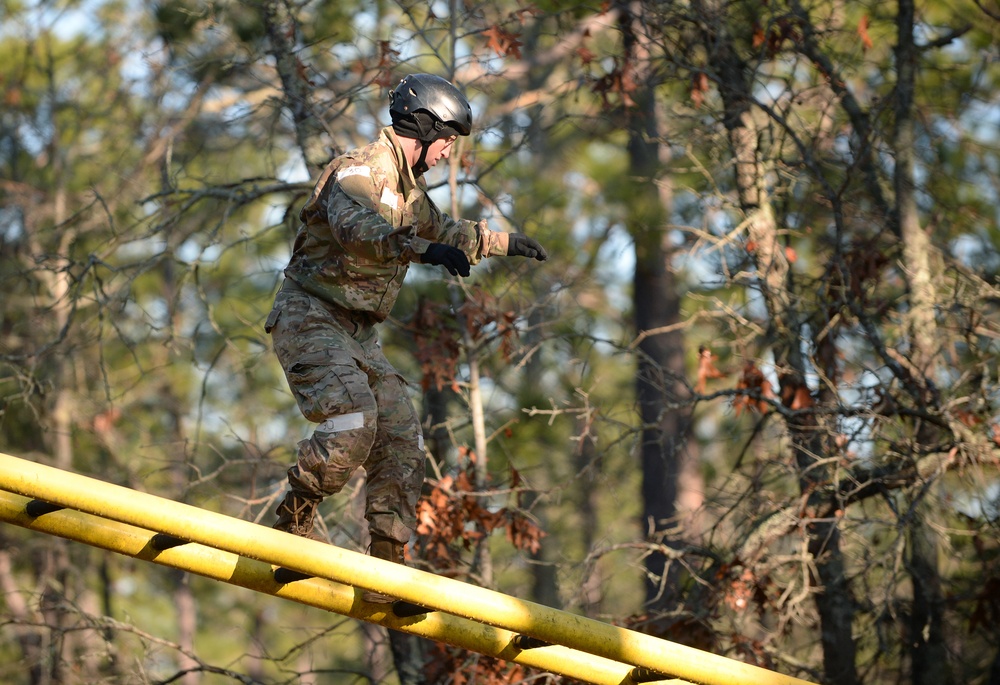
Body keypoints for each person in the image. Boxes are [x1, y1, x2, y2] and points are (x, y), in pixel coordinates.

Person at [264, 73, 547, 602]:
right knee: (354, 421)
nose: (447, 154)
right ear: (424, 127)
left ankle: (388, 574)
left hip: (359, 336)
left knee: (400, 441)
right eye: (446, 142)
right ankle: (289, 529)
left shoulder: (410, 192)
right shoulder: (358, 172)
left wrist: (504, 241)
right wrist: (421, 251)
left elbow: (444, 232)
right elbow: (360, 232)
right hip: (311, 317)